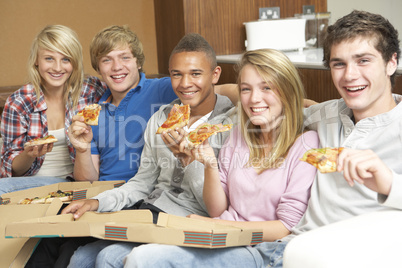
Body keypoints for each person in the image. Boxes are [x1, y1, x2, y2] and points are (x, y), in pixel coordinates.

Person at [124, 10, 402, 268]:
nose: (350, 75)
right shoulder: (325, 115)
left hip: (350, 253)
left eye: (363, 60)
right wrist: (200, 88)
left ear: (392, 62)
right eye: (338, 64)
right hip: (291, 247)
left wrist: (388, 181)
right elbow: (278, 103)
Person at [124, 48, 320, 266]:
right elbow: (218, 210)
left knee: (142, 259)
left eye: (266, 87)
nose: (254, 99)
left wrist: (216, 226)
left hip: (261, 248)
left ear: (287, 91)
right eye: (246, 89)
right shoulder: (238, 135)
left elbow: (285, 226)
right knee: (131, 256)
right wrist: (209, 164)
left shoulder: (307, 143)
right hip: (222, 238)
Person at [62, 33, 236, 267]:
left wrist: (189, 161)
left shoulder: (230, 124)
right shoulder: (161, 117)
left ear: (215, 75)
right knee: (80, 258)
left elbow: (216, 208)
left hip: (193, 222)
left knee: (108, 257)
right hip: (151, 211)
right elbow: (142, 182)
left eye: (195, 73)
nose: (185, 84)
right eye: (176, 74)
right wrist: (97, 202)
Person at [0, 25, 106, 193]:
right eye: (49, 58)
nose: (57, 68)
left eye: (66, 59)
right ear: (36, 60)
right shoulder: (19, 102)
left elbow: (123, 93)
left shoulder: (91, 89)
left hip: (74, 183)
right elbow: (12, 170)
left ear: (75, 62)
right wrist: (29, 154)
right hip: (29, 186)